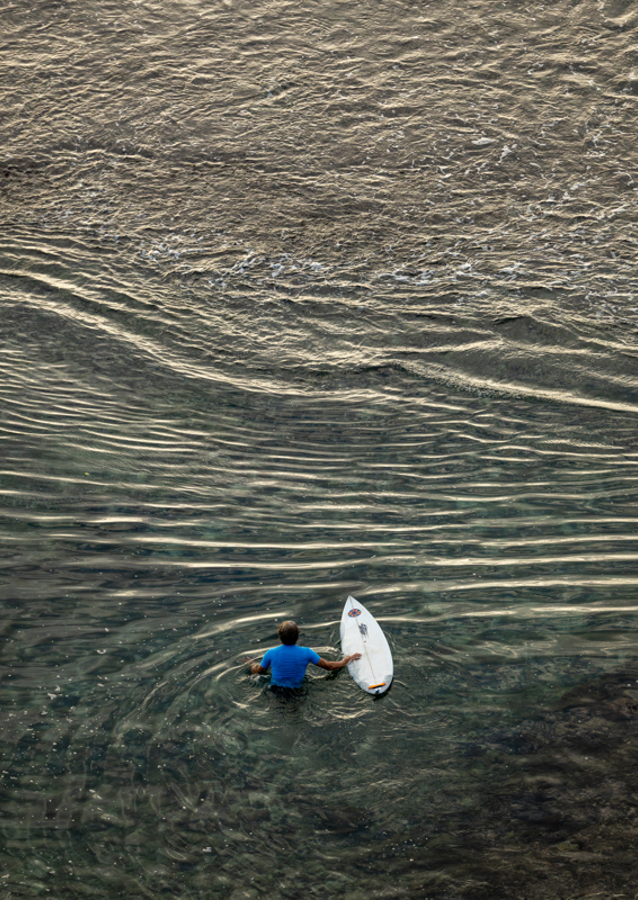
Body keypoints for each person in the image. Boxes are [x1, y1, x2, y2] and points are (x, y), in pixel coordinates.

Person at [249, 620, 361, 689]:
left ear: (279, 636)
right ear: (297, 636)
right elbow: (330, 666)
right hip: (298, 690)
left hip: (275, 690)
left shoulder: (270, 653)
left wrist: (252, 664)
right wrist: (346, 660)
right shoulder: (307, 652)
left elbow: (257, 672)